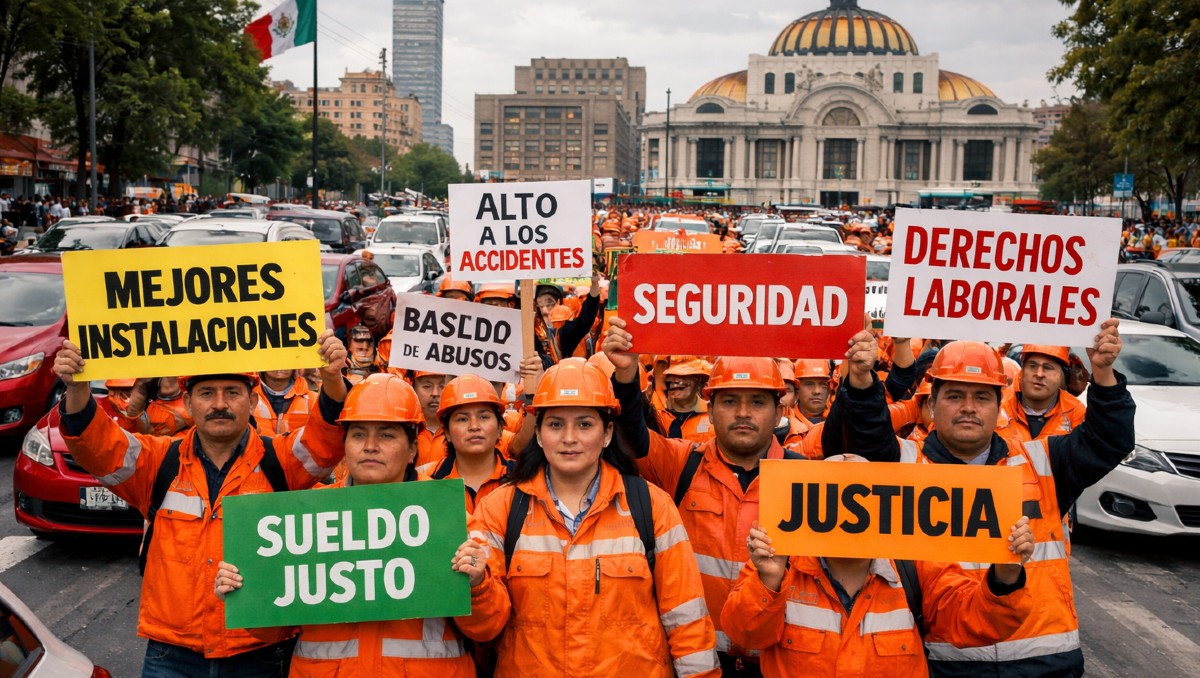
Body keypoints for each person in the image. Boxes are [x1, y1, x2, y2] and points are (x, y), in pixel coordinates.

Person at [821, 323, 1135, 677]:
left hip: (1045, 660)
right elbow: (864, 436)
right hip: (948, 661)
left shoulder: (1043, 461)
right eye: (955, 395)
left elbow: (1110, 440)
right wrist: (861, 380)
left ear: (999, 405)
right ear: (932, 403)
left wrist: (1103, 372)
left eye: (982, 396)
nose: (968, 408)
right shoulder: (905, 465)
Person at [51, 331, 352, 676]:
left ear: (252, 402)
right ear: (189, 403)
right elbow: (95, 445)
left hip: (259, 653)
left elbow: (325, 440)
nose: (219, 404)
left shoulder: (280, 461)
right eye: (207, 393)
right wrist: (76, 388)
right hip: (173, 657)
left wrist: (332, 379)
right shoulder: (157, 462)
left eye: (232, 393)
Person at [602, 317, 884, 676]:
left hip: (776, 660)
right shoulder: (681, 464)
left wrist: (860, 383)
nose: (743, 413)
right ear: (710, 408)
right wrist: (626, 377)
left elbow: (870, 453)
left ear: (780, 410)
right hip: (697, 659)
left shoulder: (808, 479)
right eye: (730, 400)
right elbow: (634, 442)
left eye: (757, 402)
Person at [215, 373, 510, 676]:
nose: (370, 446)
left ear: (412, 450)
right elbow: (272, 631)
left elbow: (488, 628)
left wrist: (478, 586)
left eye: (386, 435)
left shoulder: (451, 517)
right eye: (358, 434)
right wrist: (245, 591)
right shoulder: (306, 518)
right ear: (344, 445)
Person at [473, 358, 720, 677]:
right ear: (538, 434)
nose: (569, 437)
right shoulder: (500, 509)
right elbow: (483, 629)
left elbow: (687, 622)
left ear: (607, 434)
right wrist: (477, 586)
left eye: (585, 424)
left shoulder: (651, 507)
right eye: (555, 424)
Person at [723, 462, 1036, 677]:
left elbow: (976, 623)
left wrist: (1005, 579)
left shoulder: (915, 564)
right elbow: (743, 634)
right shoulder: (778, 563)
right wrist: (769, 581)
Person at [1001, 345, 1086, 442]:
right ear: (1022, 370)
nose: (1039, 374)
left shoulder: (1076, 413)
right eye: (1032, 366)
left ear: (1062, 376)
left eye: (1047, 367)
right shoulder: (998, 406)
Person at [253, 369, 318, 436]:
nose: (279, 365)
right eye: (271, 359)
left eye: (286, 359)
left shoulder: (313, 400)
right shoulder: (247, 397)